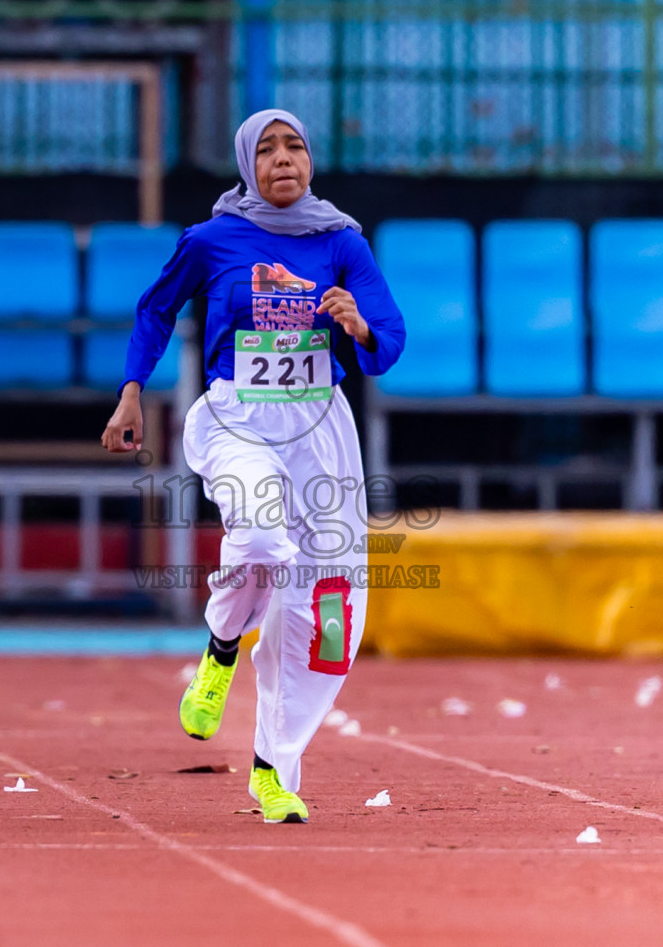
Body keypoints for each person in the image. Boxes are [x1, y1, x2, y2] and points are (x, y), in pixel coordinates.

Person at [101, 109, 405, 823]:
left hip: (320, 430)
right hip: (239, 420)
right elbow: (155, 310)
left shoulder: (342, 241)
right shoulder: (212, 239)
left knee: (328, 611)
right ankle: (221, 648)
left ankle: (274, 771)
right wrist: (132, 391)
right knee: (263, 541)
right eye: (266, 149)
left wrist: (358, 325)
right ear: (246, 165)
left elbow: (388, 341)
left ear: (311, 159)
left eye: (294, 146)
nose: (282, 159)